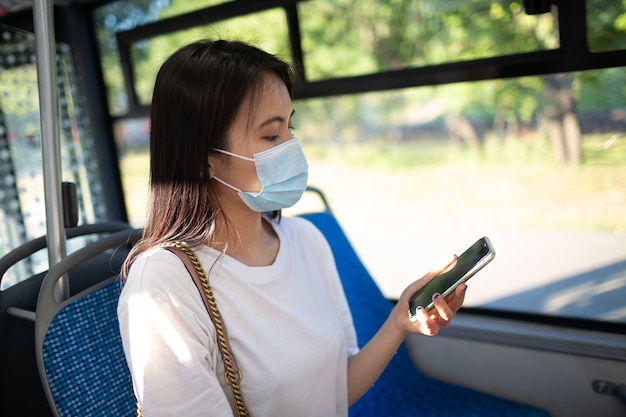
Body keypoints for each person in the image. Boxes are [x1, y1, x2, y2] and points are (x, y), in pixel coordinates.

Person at [117, 39, 467, 417]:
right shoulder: (163, 284)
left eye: (290, 127)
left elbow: (336, 390)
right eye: (271, 136)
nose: (291, 147)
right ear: (205, 162)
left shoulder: (307, 240)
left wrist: (398, 322)